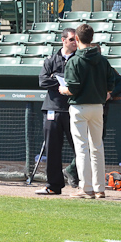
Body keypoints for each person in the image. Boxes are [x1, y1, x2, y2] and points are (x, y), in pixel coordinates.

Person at [62, 23, 115, 199]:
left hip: (79, 107)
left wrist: (63, 90)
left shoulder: (74, 60)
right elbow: (111, 85)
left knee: (82, 149)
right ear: (91, 39)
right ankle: (100, 188)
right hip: (98, 107)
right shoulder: (103, 59)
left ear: (77, 39)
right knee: (97, 147)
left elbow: (73, 88)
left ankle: (85, 188)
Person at [36, 28, 79, 195]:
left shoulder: (79, 59)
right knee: (52, 149)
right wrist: (59, 84)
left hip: (73, 110)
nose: (75, 43)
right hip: (52, 109)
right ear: (63, 40)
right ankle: (53, 185)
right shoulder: (51, 59)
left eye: (76, 40)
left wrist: (58, 78)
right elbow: (43, 80)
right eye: (71, 40)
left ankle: (84, 184)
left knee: (80, 149)